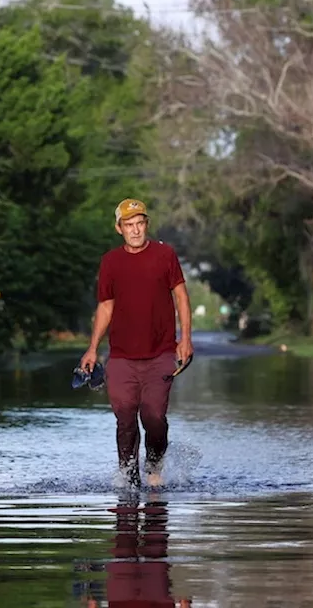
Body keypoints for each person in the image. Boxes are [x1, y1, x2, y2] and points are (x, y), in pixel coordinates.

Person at [81, 198, 192, 488]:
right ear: (119, 228)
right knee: (125, 418)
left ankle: (154, 468)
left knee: (154, 416)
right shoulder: (110, 262)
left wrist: (186, 339)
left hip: (160, 353)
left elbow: (181, 296)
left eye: (140, 223)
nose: (135, 230)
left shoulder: (165, 255)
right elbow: (106, 306)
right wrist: (93, 348)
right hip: (121, 357)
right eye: (129, 225)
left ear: (147, 224)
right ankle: (128, 480)